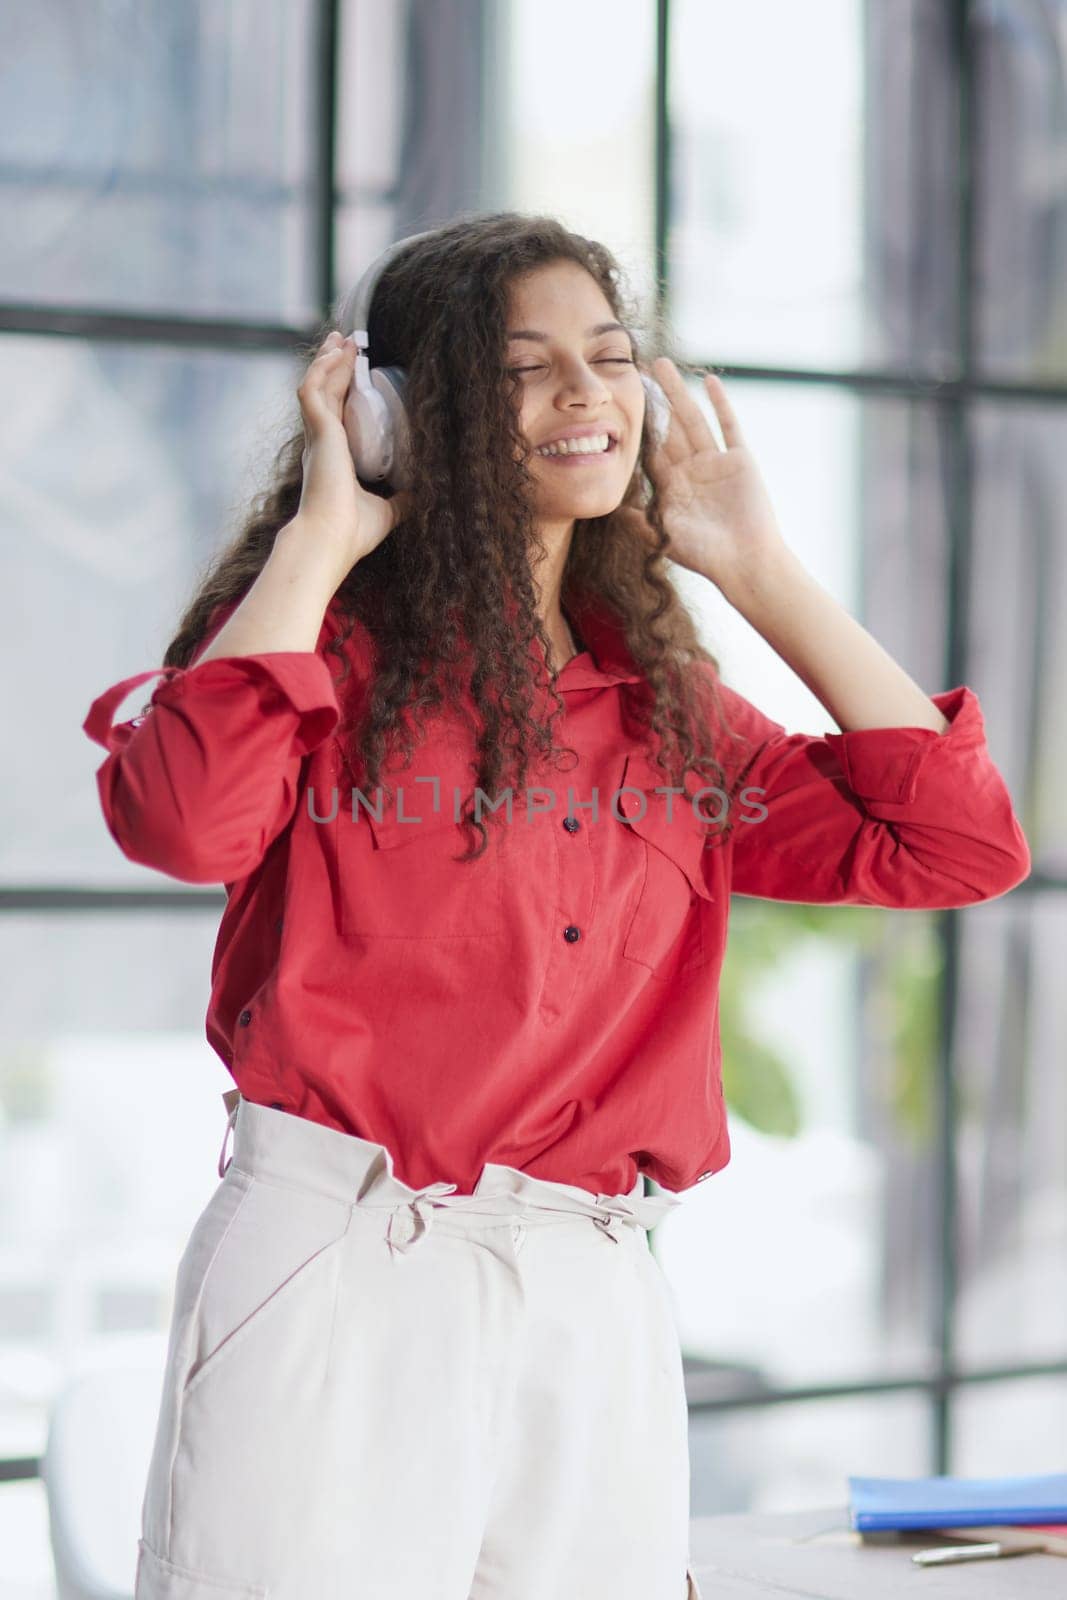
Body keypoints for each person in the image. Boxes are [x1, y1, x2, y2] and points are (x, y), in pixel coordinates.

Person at [83, 212, 1030, 1600]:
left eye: (608, 355)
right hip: (348, 1260)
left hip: (591, 1288)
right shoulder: (318, 651)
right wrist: (324, 534)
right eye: (525, 366)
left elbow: (955, 847)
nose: (587, 393)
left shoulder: (663, 703)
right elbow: (178, 819)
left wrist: (760, 571)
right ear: (407, 413)